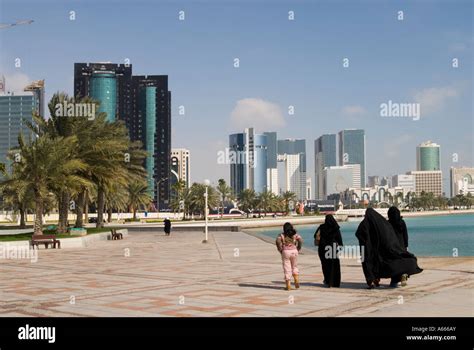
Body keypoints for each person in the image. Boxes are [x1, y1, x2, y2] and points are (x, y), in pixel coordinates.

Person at [355, 208, 422, 289]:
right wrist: (406, 245)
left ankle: (392, 281)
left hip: (391, 244)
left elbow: (383, 234)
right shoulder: (401, 222)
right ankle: (402, 277)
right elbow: (405, 235)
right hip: (401, 245)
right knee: (402, 260)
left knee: (394, 261)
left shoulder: (387, 223)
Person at [314, 214, 343, 287]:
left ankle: (328, 281)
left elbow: (315, 236)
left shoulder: (322, 227)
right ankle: (335, 282)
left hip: (323, 248)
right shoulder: (336, 227)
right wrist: (340, 245)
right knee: (334, 265)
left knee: (325, 265)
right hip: (332, 248)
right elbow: (339, 238)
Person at [276, 222, 303, 291]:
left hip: (286, 252)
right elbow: (300, 240)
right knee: (295, 266)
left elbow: (278, 242)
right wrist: (298, 248)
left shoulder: (281, 235)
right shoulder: (295, 234)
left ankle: (288, 285)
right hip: (294, 251)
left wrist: (280, 249)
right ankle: (296, 279)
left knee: (287, 268)